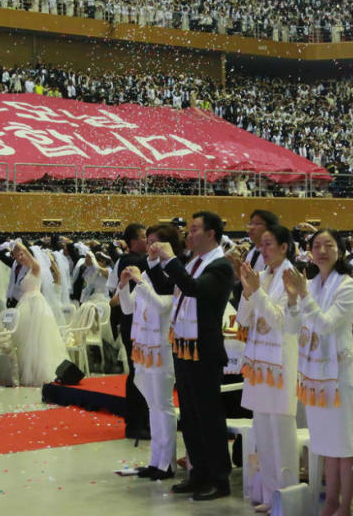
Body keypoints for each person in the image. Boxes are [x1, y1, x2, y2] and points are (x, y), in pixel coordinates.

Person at [149, 211, 234, 501]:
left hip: (204, 351)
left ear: (211, 234)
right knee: (190, 415)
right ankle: (197, 473)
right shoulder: (194, 263)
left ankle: (219, 479)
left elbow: (194, 289)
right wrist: (154, 262)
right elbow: (166, 287)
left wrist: (171, 259)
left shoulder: (220, 266)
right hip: (184, 346)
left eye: (195, 229)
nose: (189, 234)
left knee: (209, 417)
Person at [283, 229, 353, 516]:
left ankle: (345, 504)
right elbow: (294, 329)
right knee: (327, 443)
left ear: (340, 250)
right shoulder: (313, 284)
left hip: (339, 375)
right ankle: (330, 501)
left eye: (329, 245)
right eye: (317, 245)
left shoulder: (348, 286)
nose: (323, 250)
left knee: (345, 443)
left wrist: (303, 295)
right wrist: (293, 300)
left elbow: (327, 324)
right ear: (310, 251)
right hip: (316, 375)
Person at [232, 224, 299, 512]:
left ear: (284, 247)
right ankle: (271, 494)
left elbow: (280, 321)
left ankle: (287, 497)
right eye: (261, 245)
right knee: (263, 431)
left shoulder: (290, 277)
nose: (264, 249)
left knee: (281, 434)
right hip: (259, 363)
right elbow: (243, 320)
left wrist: (257, 293)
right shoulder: (265, 276)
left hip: (280, 364)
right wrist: (247, 291)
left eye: (269, 243)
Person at [118, 223, 180, 481]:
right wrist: (123, 285)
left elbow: (162, 306)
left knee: (163, 406)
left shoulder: (174, 274)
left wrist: (141, 281)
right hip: (144, 348)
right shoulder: (146, 272)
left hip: (162, 349)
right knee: (153, 407)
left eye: (156, 241)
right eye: (149, 241)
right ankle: (156, 460)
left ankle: (167, 464)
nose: (151, 246)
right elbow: (129, 309)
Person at [10, 240, 69, 386]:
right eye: (18, 256)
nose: (21, 257)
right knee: (26, 340)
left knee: (38, 340)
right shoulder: (27, 271)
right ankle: (26, 370)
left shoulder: (36, 267)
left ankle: (40, 372)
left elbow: (29, 256)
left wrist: (20, 245)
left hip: (36, 304)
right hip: (25, 305)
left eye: (23, 254)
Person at [112, 222, 150, 439]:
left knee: (139, 373)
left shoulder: (132, 260)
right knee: (138, 373)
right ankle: (136, 423)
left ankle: (139, 421)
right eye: (145, 237)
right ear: (133, 241)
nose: (148, 242)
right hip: (134, 324)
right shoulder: (132, 261)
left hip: (136, 323)